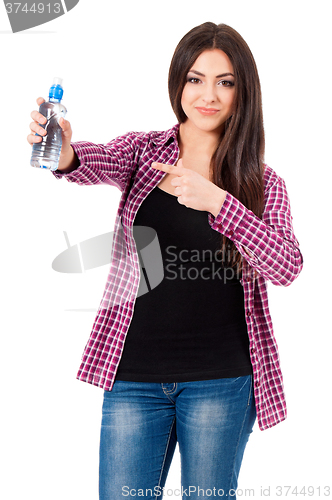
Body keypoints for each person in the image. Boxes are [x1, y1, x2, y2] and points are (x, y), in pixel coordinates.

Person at [28, 22, 303, 500]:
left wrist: (219, 202)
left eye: (225, 81)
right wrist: (66, 153)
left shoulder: (261, 181)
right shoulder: (144, 153)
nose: (208, 95)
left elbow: (286, 266)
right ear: (178, 83)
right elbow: (93, 162)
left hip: (222, 380)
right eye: (195, 79)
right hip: (133, 375)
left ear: (243, 91)